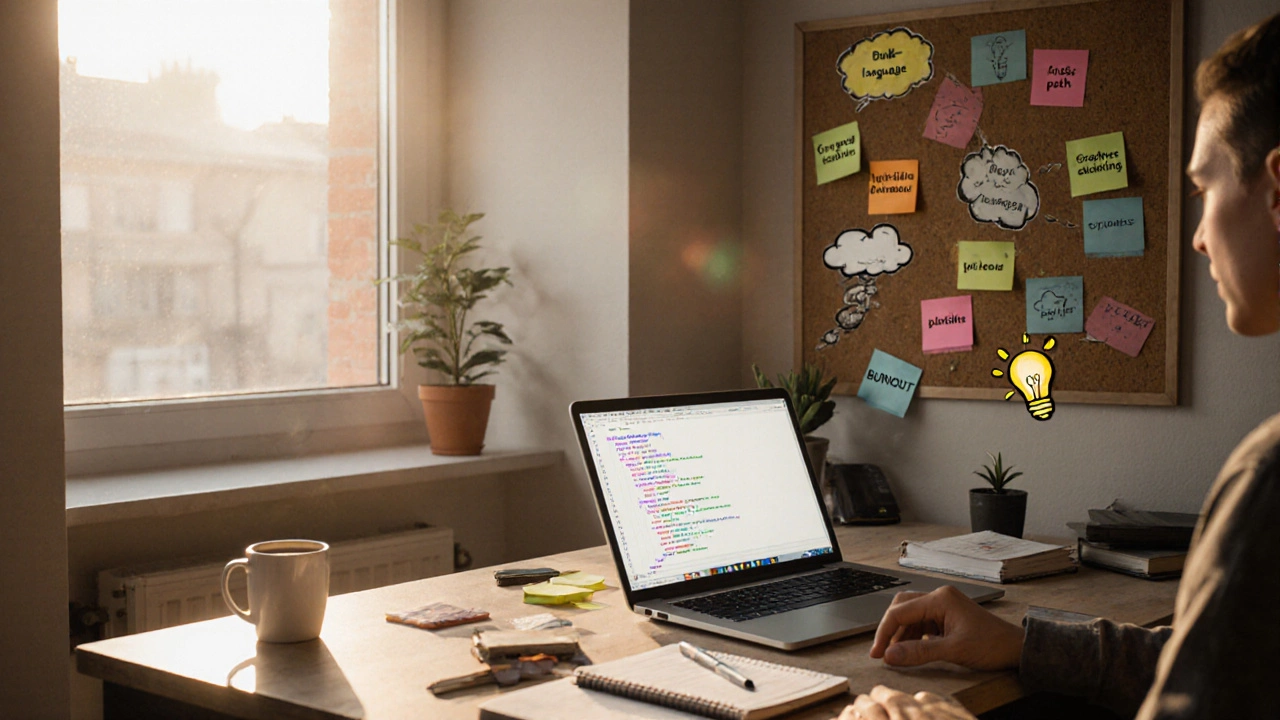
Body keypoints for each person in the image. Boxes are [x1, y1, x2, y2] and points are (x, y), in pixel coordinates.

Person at [841, 12, 1280, 720]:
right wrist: (1024, 643)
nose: (1198, 238)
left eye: (1204, 190)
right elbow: (1222, 667)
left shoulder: (1269, 477)